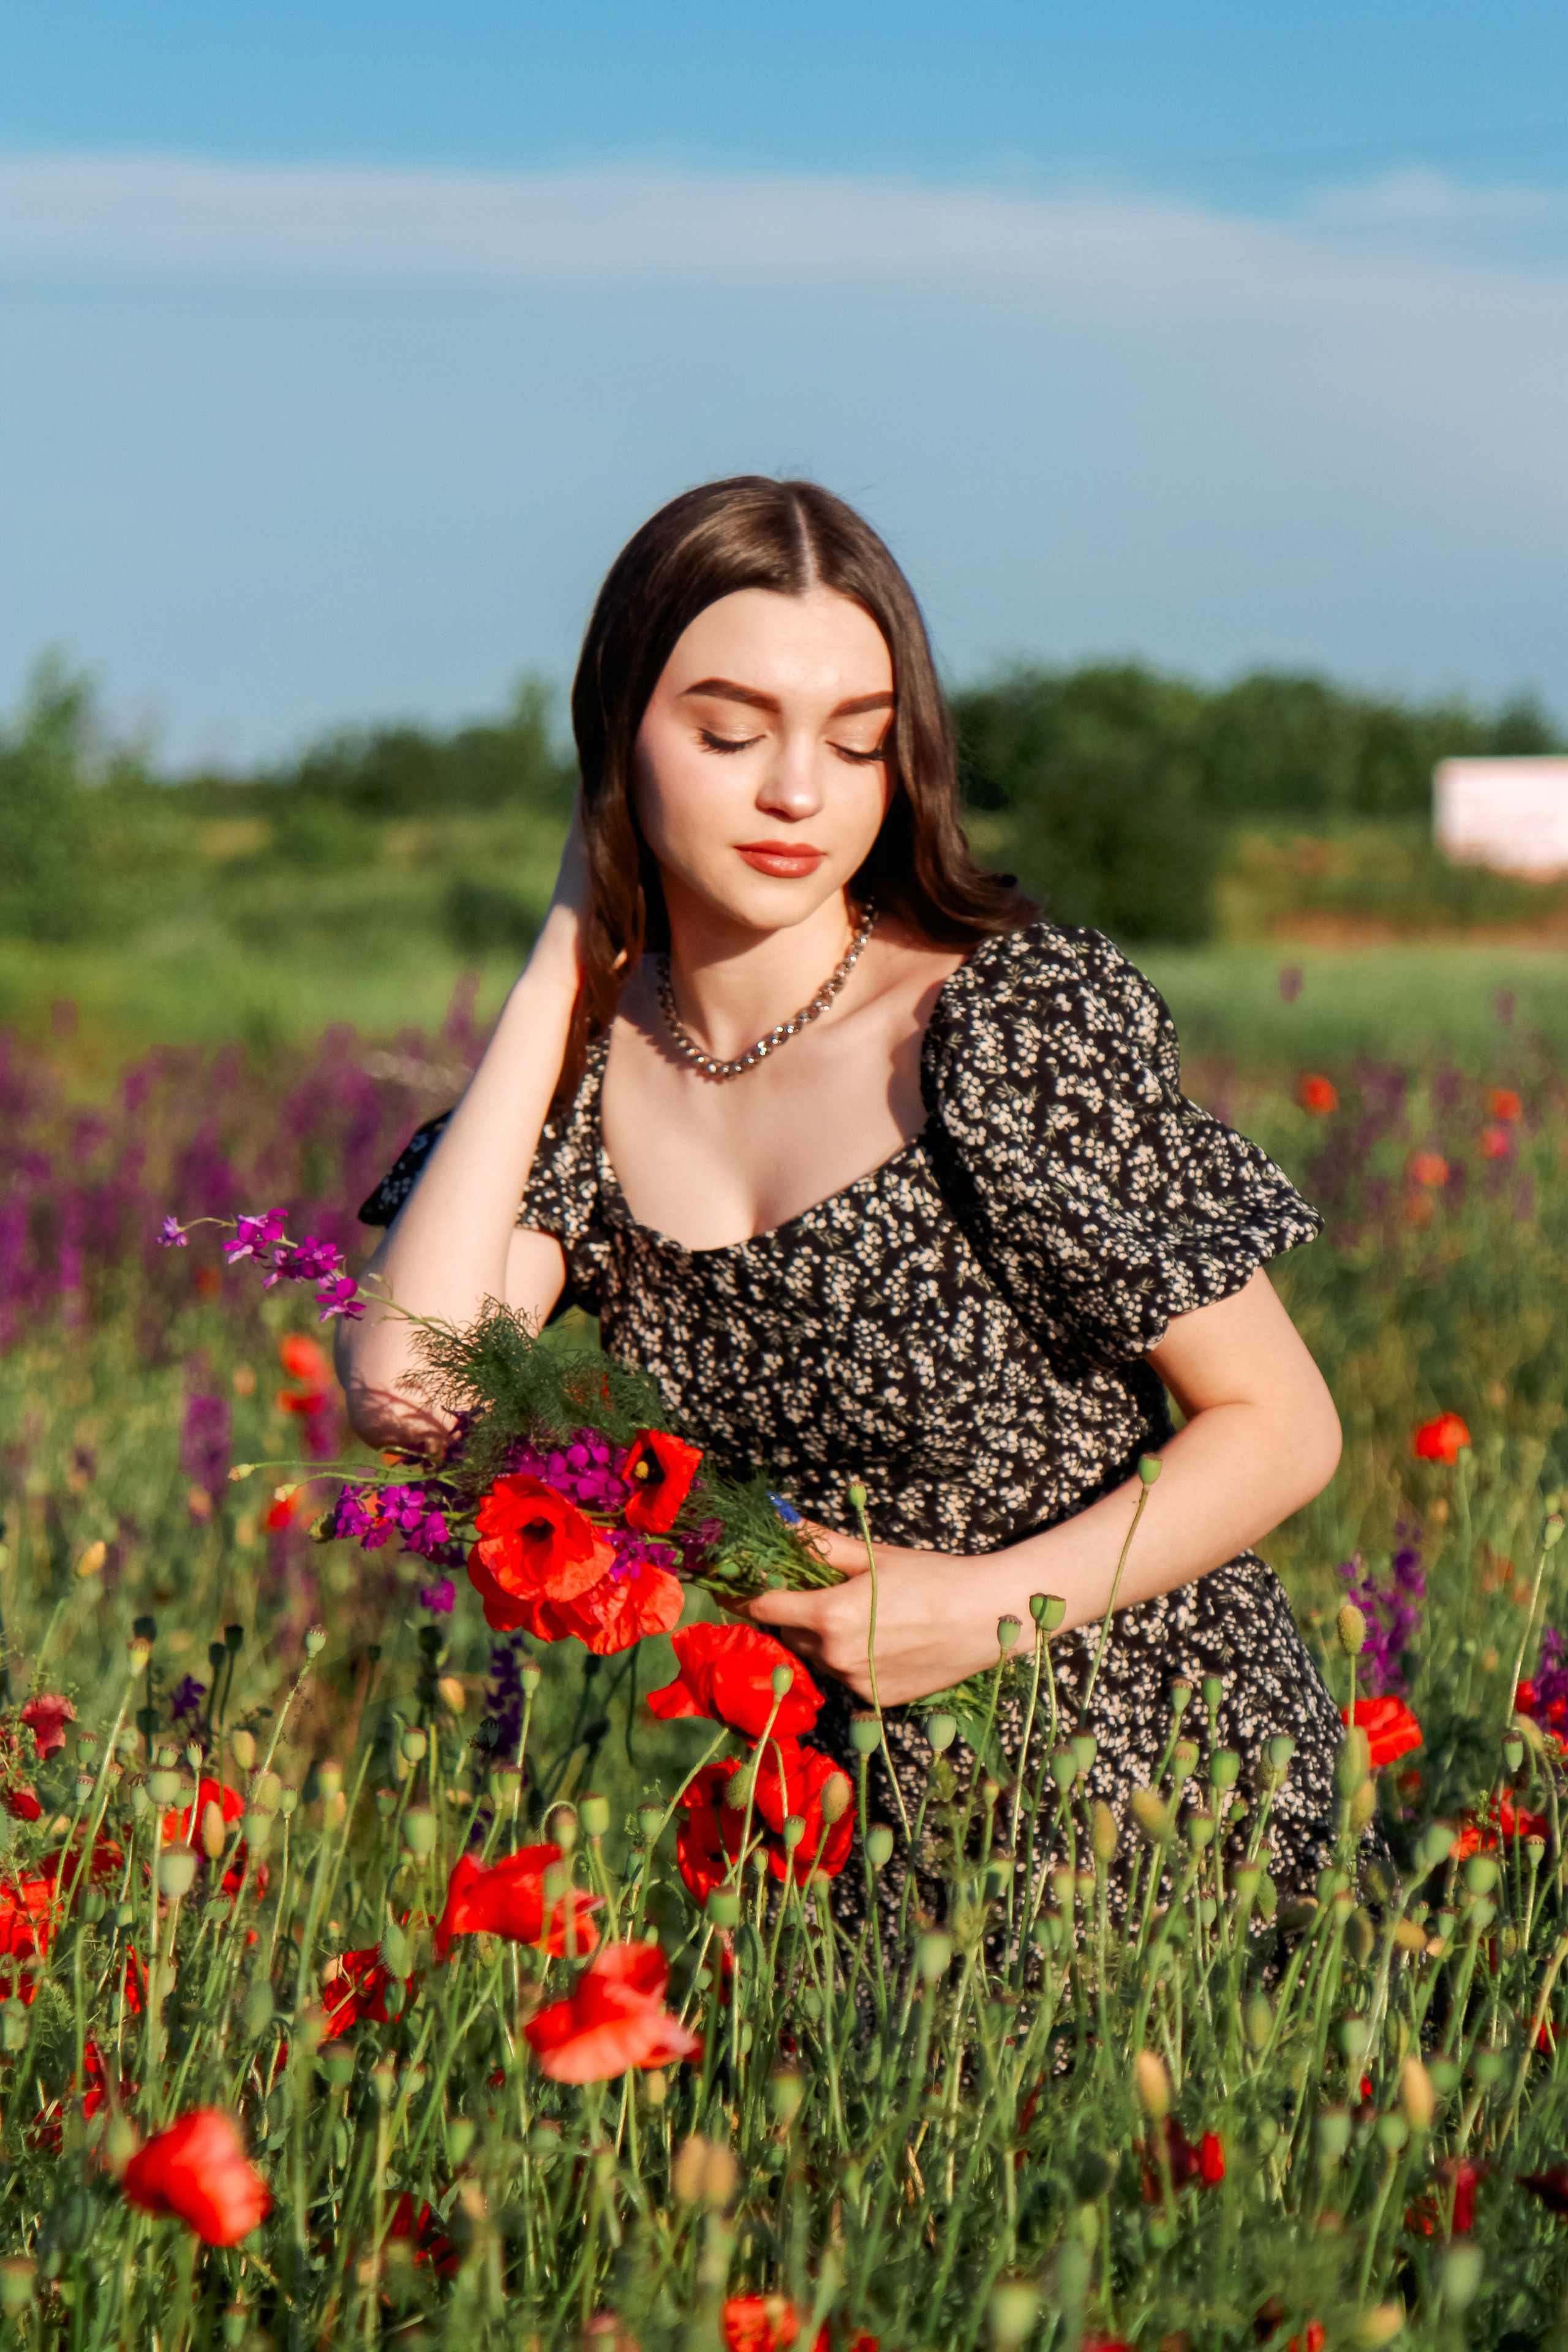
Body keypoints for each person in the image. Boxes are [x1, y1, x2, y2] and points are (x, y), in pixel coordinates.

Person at [345, 475, 1346, 1905]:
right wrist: (568, 949)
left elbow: (1281, 1422)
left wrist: (980, 1611)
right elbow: (410, 1399)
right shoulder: (578, 1087)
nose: (796, 793)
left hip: (1159, 1796)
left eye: (857, 742)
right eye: (728, 731)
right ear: (615, 740)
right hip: (830, 1840)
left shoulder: (1000, 1030)